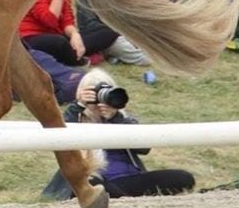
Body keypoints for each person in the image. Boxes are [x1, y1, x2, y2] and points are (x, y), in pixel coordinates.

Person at [42, 68, 195, 200]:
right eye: (93, 94)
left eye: (105, 93)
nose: (99, 100)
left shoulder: (123, 120)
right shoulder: (75, 119)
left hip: (129, 179)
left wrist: (115, 118)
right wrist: (78, 107)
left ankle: (123, 199)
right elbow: (62, 140)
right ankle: (126, 200)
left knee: (182, 178)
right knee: (94, 186)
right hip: (94, 180)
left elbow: (144, 147)